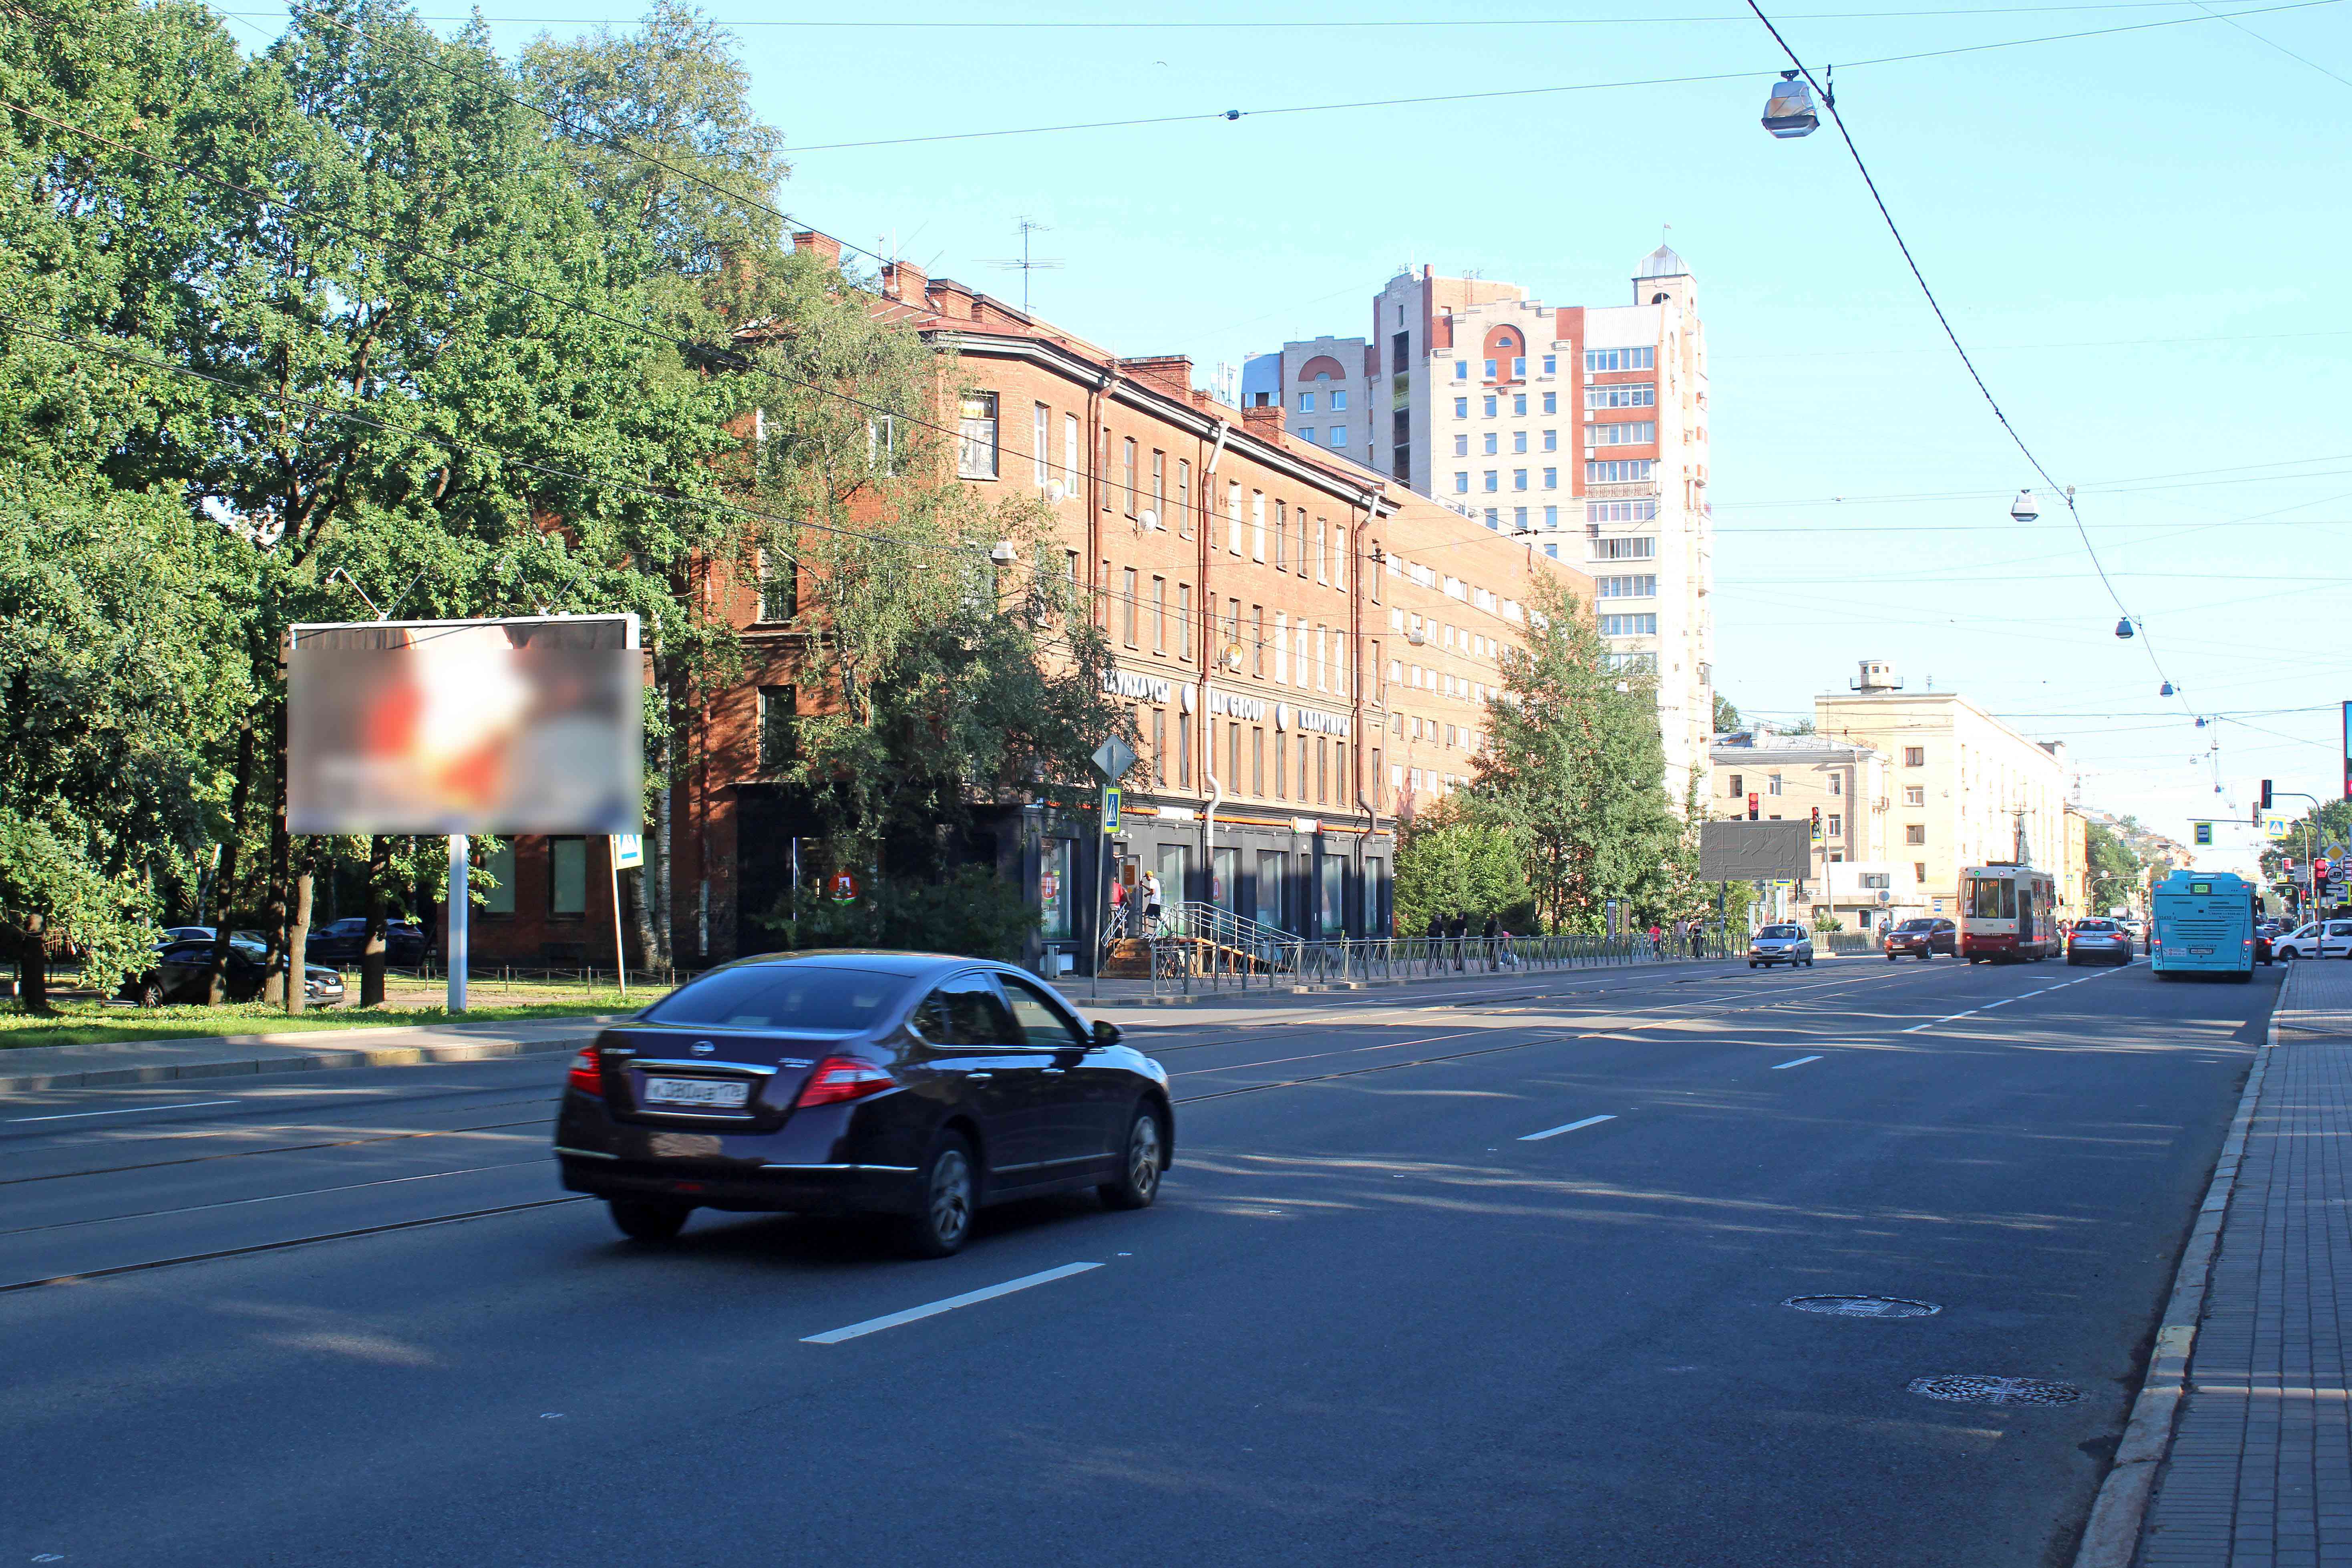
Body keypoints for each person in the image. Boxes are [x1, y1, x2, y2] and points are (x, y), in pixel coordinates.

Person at [1141, 870, 1163, 936]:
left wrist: (1147, 895)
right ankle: (1169, 930)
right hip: (1157, 902)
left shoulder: (1152, 882)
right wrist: (1144, 886)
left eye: (1146, 878)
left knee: (1146, 916)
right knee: (1159, 917)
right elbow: (1152, 890)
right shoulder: (1156, 881)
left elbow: (1153, 892)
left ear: (1148, 876)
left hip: (1153, 902)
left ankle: (1146, 933)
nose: (1146, 879)